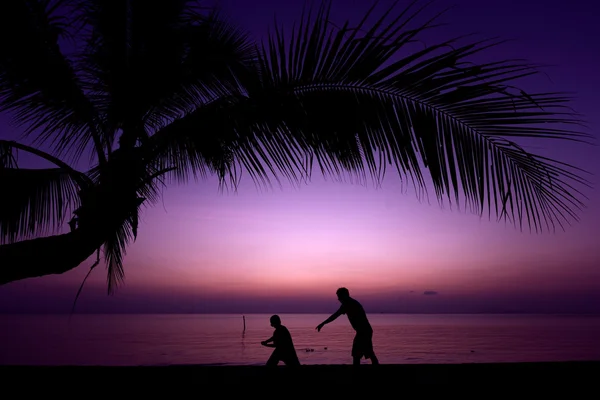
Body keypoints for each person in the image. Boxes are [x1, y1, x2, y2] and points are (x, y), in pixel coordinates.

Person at [316, 287, 379, 365]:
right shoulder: (350, 303)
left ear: (344, 295)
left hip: (363, 332)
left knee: (357, 354)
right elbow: (336, 315)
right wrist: (323, 323)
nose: (338, 299)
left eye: (339, 296)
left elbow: (335, 315)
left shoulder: (348, 304)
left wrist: (323, 323)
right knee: (368, 352)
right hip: (364, 331)